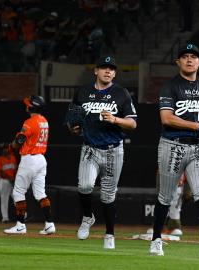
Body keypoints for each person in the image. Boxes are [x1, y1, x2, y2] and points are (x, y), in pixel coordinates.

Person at [149, 44, 199, 258]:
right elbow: (166, 118)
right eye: (185, 57)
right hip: (172, 145)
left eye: (194, 57)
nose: (190, 60)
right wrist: (197, 126)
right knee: (165, 196)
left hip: (197, 147)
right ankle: (156, 239)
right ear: (178, 62)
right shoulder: (170, 87)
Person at [67, 56, 137, 249]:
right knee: (85, 185)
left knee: (108, 196)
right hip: (90, 148)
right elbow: (73, 117)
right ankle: (87, 217)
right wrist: (73, 127)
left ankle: (109, 234)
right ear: (95, 71)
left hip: (114, 150)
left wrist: (115, 120)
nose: (108, 71)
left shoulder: (121, 93)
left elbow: (132, 123)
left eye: (112, 69)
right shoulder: (83, 92)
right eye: (104, 68)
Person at [4, 95, 56, 235]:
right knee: (40, 193)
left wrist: (10, 146)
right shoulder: (44, 121)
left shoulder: (30, 122)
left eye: (28, 104)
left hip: (29, 159)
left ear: (31, 107)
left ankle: (20, 225)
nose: (26, 106)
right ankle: (49, 224)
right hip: (41, 159)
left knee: (18, 192)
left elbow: (20, 139)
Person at [0, 142, 18, 223]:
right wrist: (10, 178)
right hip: (4, 181)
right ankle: (5, 218)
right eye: (2, 149)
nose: (4, 150)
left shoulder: (13, 158)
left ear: (8, 149)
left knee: (17, 197)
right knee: (4, 199)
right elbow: (0, 173)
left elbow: (15, 170)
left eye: (5, 148)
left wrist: (14, 179)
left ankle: (24, 215)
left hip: (13, 181)